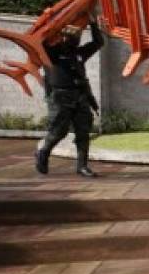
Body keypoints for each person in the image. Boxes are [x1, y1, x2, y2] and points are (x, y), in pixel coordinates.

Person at [35, 18, 104, 177]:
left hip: (80, 95)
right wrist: (57, 24)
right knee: (59, 131)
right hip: (60, 97)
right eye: (71, 35)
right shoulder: (51, 52)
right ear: (62, 36)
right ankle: (43, 153)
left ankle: (82, 166)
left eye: (77, 35)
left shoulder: (79, 53)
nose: (75, 38)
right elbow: (43, 38)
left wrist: (93, 23)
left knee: (83, 131)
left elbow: (98, 42)